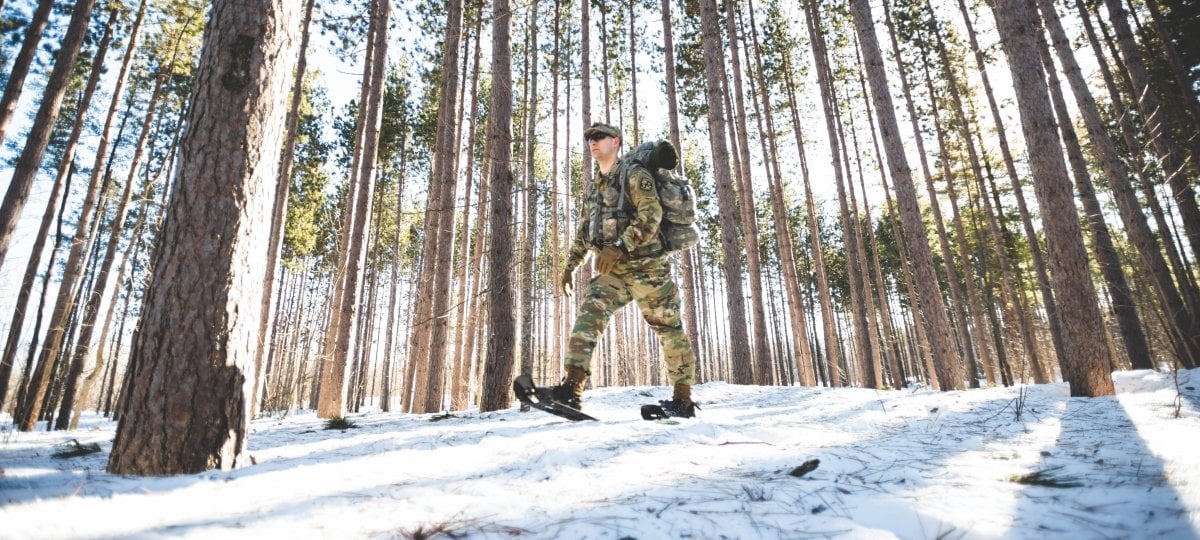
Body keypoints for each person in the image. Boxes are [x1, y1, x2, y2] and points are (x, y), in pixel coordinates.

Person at [547, 122, 698, 418]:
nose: (592, 141)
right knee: (588, 317)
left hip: (647, 267)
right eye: (588, 137)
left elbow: (651, 215)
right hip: (614, 272)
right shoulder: (597, 186)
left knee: (669, 329)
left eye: (599, 136)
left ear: (615, 142)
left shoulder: (634, 174)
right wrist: (569, 267)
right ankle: (571, 391)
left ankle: (683, 399)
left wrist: (619, 246)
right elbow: (584, 232)